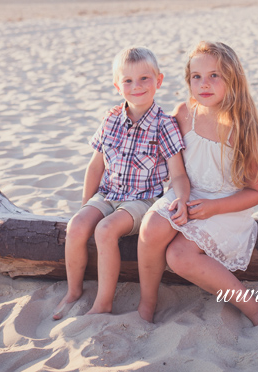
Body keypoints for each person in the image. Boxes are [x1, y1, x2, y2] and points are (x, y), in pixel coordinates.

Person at [137, 41, 258, 326]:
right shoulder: (184, 114)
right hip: (185, 190)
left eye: (215, 75)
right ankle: (147, 304)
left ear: (232, 79)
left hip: (224, 205)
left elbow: (255, 192)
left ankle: (254, 309)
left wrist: (213, 207)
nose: (204, 84)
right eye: (196, 76)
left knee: (179, 256)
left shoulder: (244, 128)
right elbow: (170, 160)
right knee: (151, 229)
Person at [53, 46, 190, 319]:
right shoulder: (111, 119)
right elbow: (95, 166)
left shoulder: (164, 124)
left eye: (144, 79)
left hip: (142, 199)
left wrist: (182, 200)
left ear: (159, 81)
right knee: (77, 226)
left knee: (105, 230)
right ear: (118, 86)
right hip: (108, 193)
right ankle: (73, 291)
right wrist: (86, 207)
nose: (136, 86)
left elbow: (178, 174)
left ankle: (103, 303)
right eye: (127, 80)